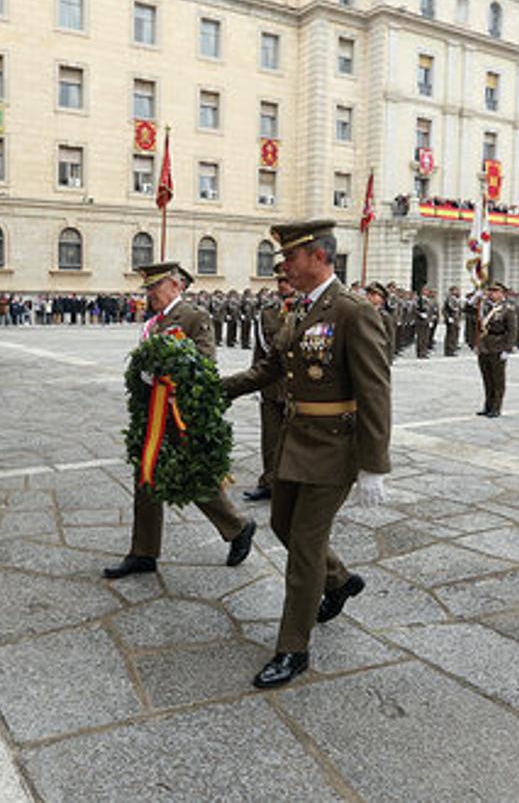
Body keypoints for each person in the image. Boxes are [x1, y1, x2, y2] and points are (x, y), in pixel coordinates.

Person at [222, 220, 391, 689]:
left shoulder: (353, 311)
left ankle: (292, 649)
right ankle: (338, 581)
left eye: (290, 258)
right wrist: (221, 390)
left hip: (335, 447)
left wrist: (374, 465)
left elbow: (376, 391)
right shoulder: (300, 309)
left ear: (319, 256)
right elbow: (272, 368)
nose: (283, 267)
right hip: (297, 441)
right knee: (282, 524)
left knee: (305, 549)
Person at [102, 262, 257, 581]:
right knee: (146, 477)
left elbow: (204, 361)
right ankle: (143, 552)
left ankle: (238, 527)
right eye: (147, 289)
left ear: (175, 285)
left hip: (178, 414)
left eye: (155, 288)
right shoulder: (155, 320)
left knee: (192, 476)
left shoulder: (193, 316)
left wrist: (165, 374)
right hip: (152, 414)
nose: (150, 295)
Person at [244, 262, 293, 503]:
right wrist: (256, 384)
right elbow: (261, 352)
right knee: (270, 437)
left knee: (296, 438)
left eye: (287, 280)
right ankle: (269, 482)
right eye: (280, 281)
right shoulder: (268, 312)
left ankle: (292, 485)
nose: (284, 285)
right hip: (273, 385)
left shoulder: (308, 309)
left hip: (298, 387)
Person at [475, 283, 518, 417]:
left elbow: (512, 331)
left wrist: (507, 349)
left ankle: (496, 407)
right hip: (484, 347)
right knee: (487, 379)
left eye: (495, 291)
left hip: (498, 346)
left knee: (498, 380)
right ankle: (487, 406)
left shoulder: (507, 309)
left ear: (502, 294)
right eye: (490, 291)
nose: (491, 293)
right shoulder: (484, 307)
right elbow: (469, 312)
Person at [365, 282, 397, 365]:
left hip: (378, 355)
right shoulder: (362, 313)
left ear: (381, 299)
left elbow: (390, 338)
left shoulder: (385, 316)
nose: (369, 297)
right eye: (368, 294)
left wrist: (388, 359)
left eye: (373, 295)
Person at [442, 285, 462, 356]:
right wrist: (448, 318)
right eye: (456, 290)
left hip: (456, 319)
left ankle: (453, 348)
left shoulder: (456, 299)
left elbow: (459, 310)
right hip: (451, 319)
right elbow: (446, 310)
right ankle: (449, 350)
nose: (458, 292)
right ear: (452, 291)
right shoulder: (449, 299)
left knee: (455, 334)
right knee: (451, 335)